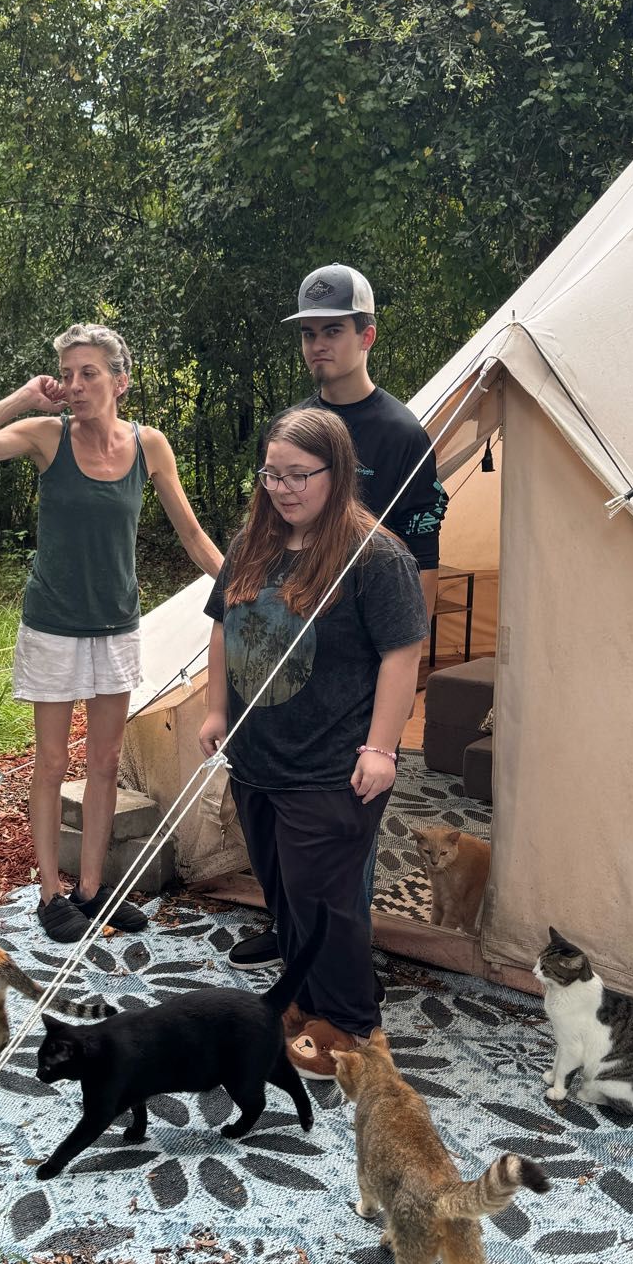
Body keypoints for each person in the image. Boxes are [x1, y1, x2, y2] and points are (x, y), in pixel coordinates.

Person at [0, 324, 222, 942]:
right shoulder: (46, 436)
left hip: (117, 625)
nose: (74, 385)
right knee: (49, 761)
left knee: (106, 761)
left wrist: (242, 586)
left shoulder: (150, 446)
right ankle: (51, 891)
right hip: (54, 626)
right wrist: (21, 398)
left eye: (88, 372)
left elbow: (192, 534)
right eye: (66, 374)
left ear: (120, 381)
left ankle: (93, 889)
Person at [230, 263, 446, 968]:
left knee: (339, 825)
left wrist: (403, 679)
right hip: (289, 657)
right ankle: (289, 932)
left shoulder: (401, 434)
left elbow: (421, 563)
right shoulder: (294, 430)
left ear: (366, 335)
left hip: (357, 664)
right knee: (276, 819)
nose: (319, 345)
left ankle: (345, 972)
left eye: (333, 331)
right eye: (309, 334)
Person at [198, 405, 426, 1072]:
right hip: (258, 757)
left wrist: (382, 748)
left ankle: (351, 1025)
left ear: (338, 472)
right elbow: (222, 627)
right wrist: (216, 711)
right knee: (284, 893)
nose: (283, 488)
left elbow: (402, 654)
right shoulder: (252, 543)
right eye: (272, 473)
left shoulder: (375, 557)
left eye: (299, 474)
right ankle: (306, 1000)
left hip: (333, 766)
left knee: (325, 903)